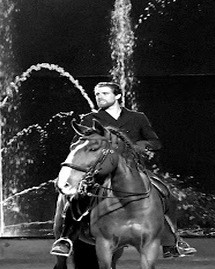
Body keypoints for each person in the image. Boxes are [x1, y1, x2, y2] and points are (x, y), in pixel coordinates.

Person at [50, 81, 198, 259]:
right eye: (97, 94)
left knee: (167, 194)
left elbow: (155, 142)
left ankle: (172, 242)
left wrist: (141, 145)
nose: (100, 97)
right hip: (101, 169)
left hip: (132, 168)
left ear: (118, 96)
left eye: (105, 93)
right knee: (79, 196)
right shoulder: (90, 119)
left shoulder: (138, 117)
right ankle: (66, 239)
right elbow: (77, 144)